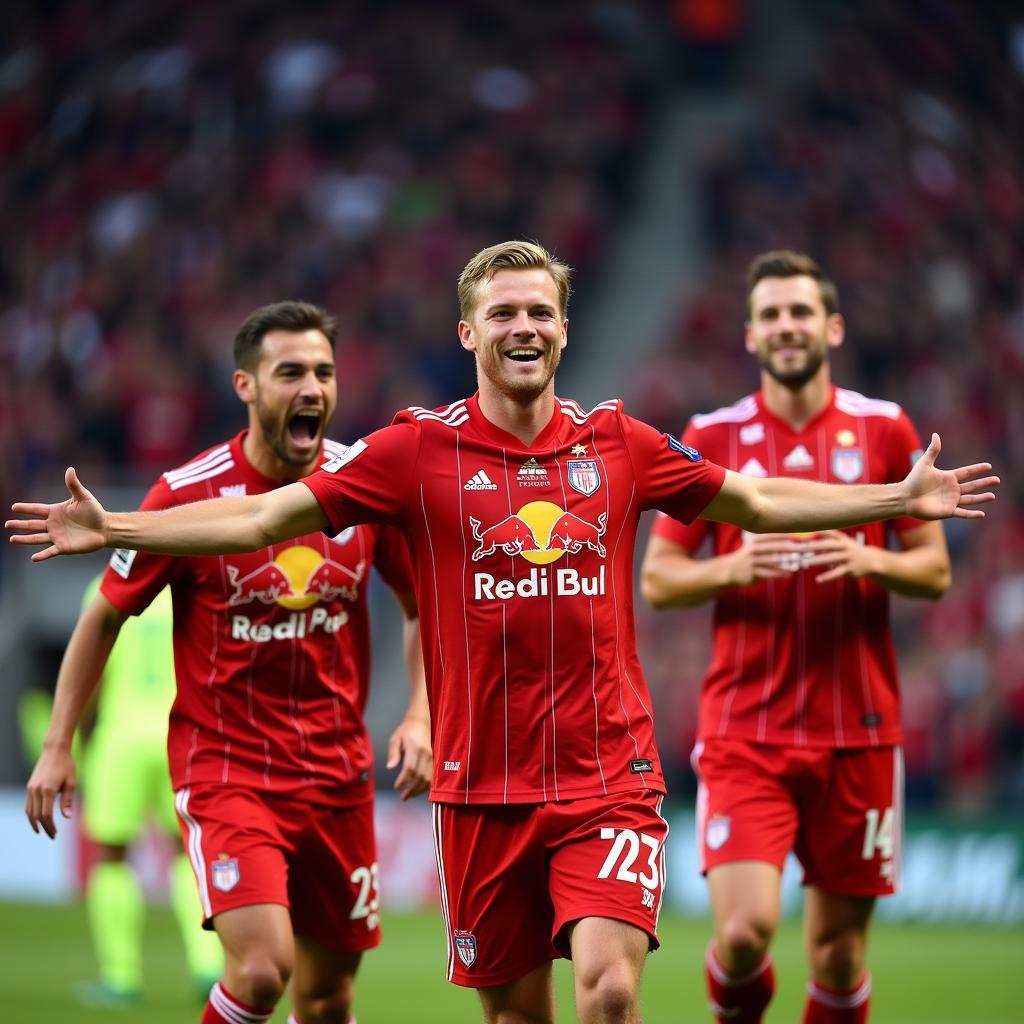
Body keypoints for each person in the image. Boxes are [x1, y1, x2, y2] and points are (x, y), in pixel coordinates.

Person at [8, 241, 997, 1024]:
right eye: (504, 312)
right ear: (469, 331)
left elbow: (752, 497)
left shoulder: (620, 442)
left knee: (609, 991)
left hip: (609, 780)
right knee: (517, 1014)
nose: (523, 325)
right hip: (481, 794)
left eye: (539, 311)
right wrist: (123, 526)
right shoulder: (412, 451)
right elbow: (265, 519)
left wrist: (889, 496)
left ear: (563, 328)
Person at [22, 300, 432, 1024]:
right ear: (245, 386)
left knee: (329, 995)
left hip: (337, 777)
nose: (312, 388)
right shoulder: (186, 496)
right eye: (290, 373)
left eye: (324, 372)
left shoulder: (362, 486)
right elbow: (104, 614)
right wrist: (58, 745)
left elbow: (420, 606)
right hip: (228, 770)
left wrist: (423, 714)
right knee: (263, 968)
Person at [640, 249, 953, 1024]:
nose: (787, 327)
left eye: (801, 312)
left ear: (832, 326)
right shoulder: (709, 434)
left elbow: (935, 572)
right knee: (744, 934)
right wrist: (733, 569)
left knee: (839, 956)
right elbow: (659, 579)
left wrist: (869, 557)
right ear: (749, 335)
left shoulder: (885, 429)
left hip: (861, 730)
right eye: (772, 315)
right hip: (747, 729)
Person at [73, 578, 224, 1006]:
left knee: (110, 853)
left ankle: (120, 976)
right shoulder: (189, 584)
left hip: (121, 737)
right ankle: (207, 966)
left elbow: (92, 667)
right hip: (181, 735)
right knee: (187, 851)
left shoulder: (108, 586)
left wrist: (75, 736)